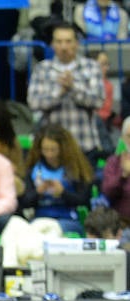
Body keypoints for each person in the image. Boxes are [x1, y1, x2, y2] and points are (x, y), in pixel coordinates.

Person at [27, 24, 105, 158]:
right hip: (52, 147)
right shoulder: (42, 69)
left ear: (77, 44)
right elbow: (34, 103)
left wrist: (73, 88)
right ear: (52, 44)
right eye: (59, 42)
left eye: (68, 41)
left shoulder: (91, 67)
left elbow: (98, 101)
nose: (64, 47)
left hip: (84, 144)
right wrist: (59, 92)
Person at [19, 124, 94, 235]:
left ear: (63, 148)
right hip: (40, 218)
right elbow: (25, 202)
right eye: (45, 150)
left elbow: (84, 200)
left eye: (53, 150)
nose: (49, 154)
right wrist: (38, 192)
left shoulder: (75, 169)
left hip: (68, 220)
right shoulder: (34, 169)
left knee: (50, 231)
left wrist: (63, 193)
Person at [99, 118, 130, 223]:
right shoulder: (114, 162)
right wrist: (123, 174)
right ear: (123, 138)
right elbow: (107, 191)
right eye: (129, 136)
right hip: (120, 222)